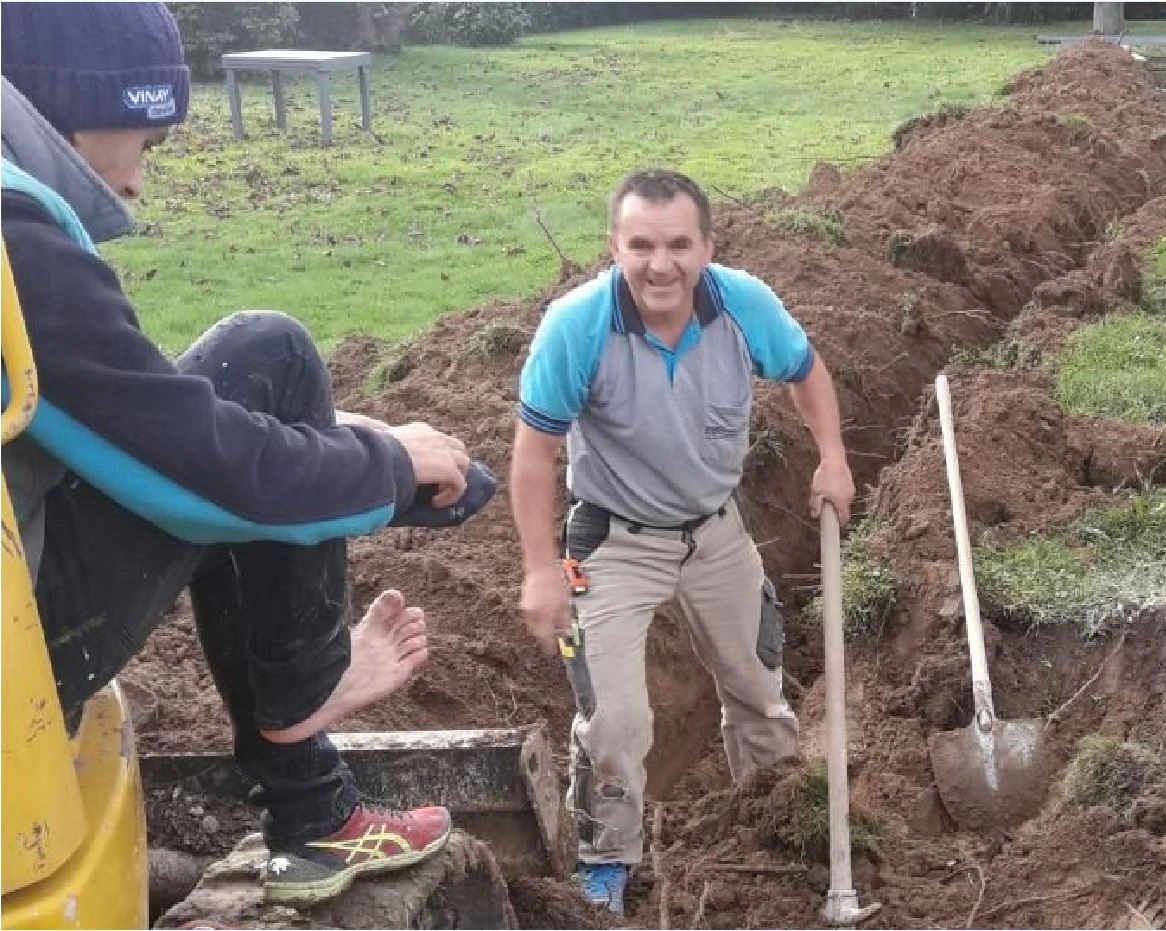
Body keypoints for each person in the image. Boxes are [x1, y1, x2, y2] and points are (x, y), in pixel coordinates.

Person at [1, 2, 493, 907]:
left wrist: (355, 446)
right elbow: (206, 476)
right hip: (18, 650)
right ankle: (304, 729)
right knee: (269, 356)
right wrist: (383, 468)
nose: (144, 179)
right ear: (86, 109)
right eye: (150, 139)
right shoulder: (14, 242)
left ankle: (305, 751)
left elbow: (125, 414)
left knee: (260, 372)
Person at [510, 169, 855, 913]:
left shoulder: (742, 305)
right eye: (640, 245)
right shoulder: (576, 327)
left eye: (676, 245)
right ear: (614, 247)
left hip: (714, 529)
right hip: (611, 538)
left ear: (706, 247)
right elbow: (533, 451)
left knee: (758, 692)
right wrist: (540, 566)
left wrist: (830, 455)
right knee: (614, 719)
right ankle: (606, 860)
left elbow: (805, 370)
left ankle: (769, 822)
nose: (658, 264)